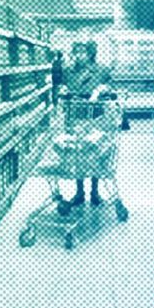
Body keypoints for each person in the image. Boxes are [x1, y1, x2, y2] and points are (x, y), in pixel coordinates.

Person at [58, 41, 112, 212]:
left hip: (96, 114)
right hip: (74, 115)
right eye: (76, 51)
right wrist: (63, 91)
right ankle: (79, 192)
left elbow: (111, 87)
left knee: (95, 151)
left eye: (83, 51)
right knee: (77, 153)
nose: (79, 55)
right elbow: (61, 86)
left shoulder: (102, 69)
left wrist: (102, 89)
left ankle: (95, 192)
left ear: (91, 53)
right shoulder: (67, 70)